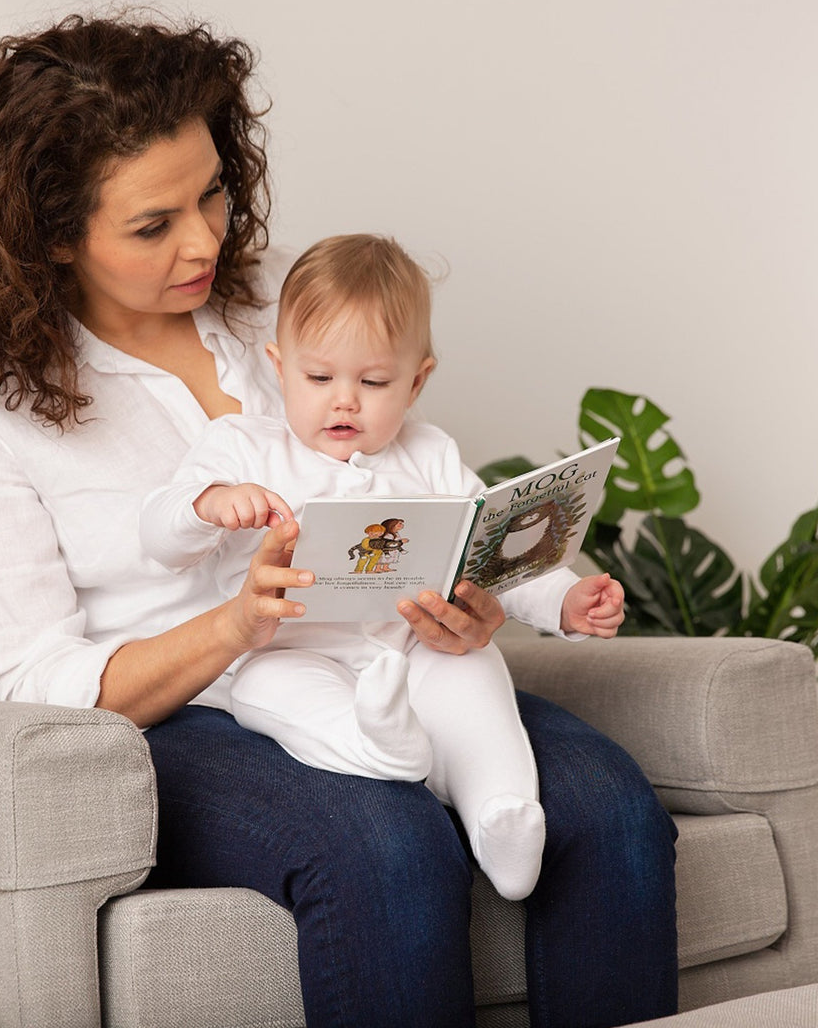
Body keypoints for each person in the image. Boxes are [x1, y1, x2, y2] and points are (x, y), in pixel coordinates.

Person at [0, 10, 678, 1027]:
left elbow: (405, 486)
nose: (206, 238)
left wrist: (464, 594)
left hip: (372, 653)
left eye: (211, 190)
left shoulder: (276, 314)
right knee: (382, 839)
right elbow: (30, 682)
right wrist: (231, 628)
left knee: (606, 805)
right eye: (152, 224)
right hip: (169, 718)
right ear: (50, 234)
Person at [140, 233, 626, 902]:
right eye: (318, 379)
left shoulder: (429, 454)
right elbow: (159, 539)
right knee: (272, 696)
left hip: (413, 648)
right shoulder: (242, 446)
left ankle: (502, 811)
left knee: (476, 678)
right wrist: (208, 505)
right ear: (279, 368)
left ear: (417, 379)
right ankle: (377, 748)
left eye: (373, 383)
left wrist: (567, 601)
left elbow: (491, 554)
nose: (345, 401)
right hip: (291, 653)